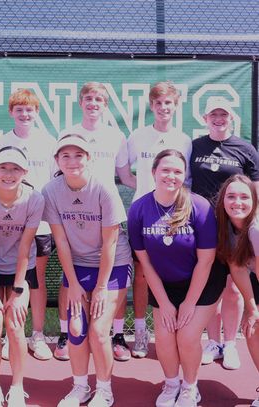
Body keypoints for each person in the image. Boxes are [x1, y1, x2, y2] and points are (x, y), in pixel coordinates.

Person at [128, 149, 222, 407]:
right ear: (153, 172)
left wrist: (189, 304)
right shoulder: (139, 209)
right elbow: (144, 262)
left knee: (187, 336)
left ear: (185, 176)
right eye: (165, 170)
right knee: (165, 336)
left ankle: (191, 388)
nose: (171, 176)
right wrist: (165, 304)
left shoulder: (199, 206)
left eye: (178, 171)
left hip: (202, 283)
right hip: (164, 285)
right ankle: (171, 384)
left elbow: (206, 261)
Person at [43, 134, 132, 407]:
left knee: (98, 329)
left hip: (114, 264)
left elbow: (111, 241)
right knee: (75, 328)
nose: (72, 161)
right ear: (57, 160)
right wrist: (73, 283)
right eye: (65, 156)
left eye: (78, 155)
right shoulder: (51, 190)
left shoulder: (104, 188)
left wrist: (102, 287)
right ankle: (80, 387)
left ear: (88, 158)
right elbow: (61, 241)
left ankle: (104, 390)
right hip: (79, 266)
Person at [60, 82, 136, 362]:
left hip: (106, 216)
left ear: (105, 105)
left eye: (99, 99)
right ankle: (65, 333)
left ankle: (116, 335)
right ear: (81, 102)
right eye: (89, 98)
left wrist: (162, 189)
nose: (93, 103)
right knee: (71, 275)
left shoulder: (116, 137)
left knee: (110, 278)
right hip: (77, 216)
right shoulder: (69, 134)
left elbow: (127, 178)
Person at [190, 97, 259, 370]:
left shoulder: (245, 149)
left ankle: (230, 344)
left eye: (224, 115)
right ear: (205, 118)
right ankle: (213, 342)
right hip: (206, 226)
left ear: (231, 118)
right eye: (213, 115)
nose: (219, 119)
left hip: (237, 228)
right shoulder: (195, 147)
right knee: (212, 286)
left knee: (234, 287)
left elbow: (254, 189)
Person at [0, 89, 56, 361]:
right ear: (11, 112)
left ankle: (37, 335)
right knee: (7, 283)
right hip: (6, 227)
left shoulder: (48, 142)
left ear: (37, 112)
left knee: (34, 280)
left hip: (39, 226)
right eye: (19, 109)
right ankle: (9, 335)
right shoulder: (0, 142)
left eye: (29, 109)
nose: (25, 114)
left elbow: (53, 180)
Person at [125, 81, 192, 359]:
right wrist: (145, 195)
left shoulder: (184, 140)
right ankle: (141, 331)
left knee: (174, 272)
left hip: (176, 215)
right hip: (144, 215)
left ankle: (179, 330)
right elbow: (126, 174)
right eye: (158, 103)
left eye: (168, 103)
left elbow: (184, 180)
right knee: (141, 274)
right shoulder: (137, 137)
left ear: (176, 106)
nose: (163, 108)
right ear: (151, 106)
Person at [0, 147, 44, 406]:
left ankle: (16, 387)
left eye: (15, 169)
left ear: (25, 172)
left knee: (14, 326)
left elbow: (25, 246)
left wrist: (17, 292)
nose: (9, 174)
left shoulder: (35, 199)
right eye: (3, 168)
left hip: (20, 267)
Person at [216, 174, 259, 407]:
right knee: (252, 329)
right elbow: (237, 268)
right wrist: (252, 308)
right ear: (223, 200)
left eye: (244, 197)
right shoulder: (225, 227)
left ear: (254, 200)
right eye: (231, 196)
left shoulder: (256, 230)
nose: (237, 202)